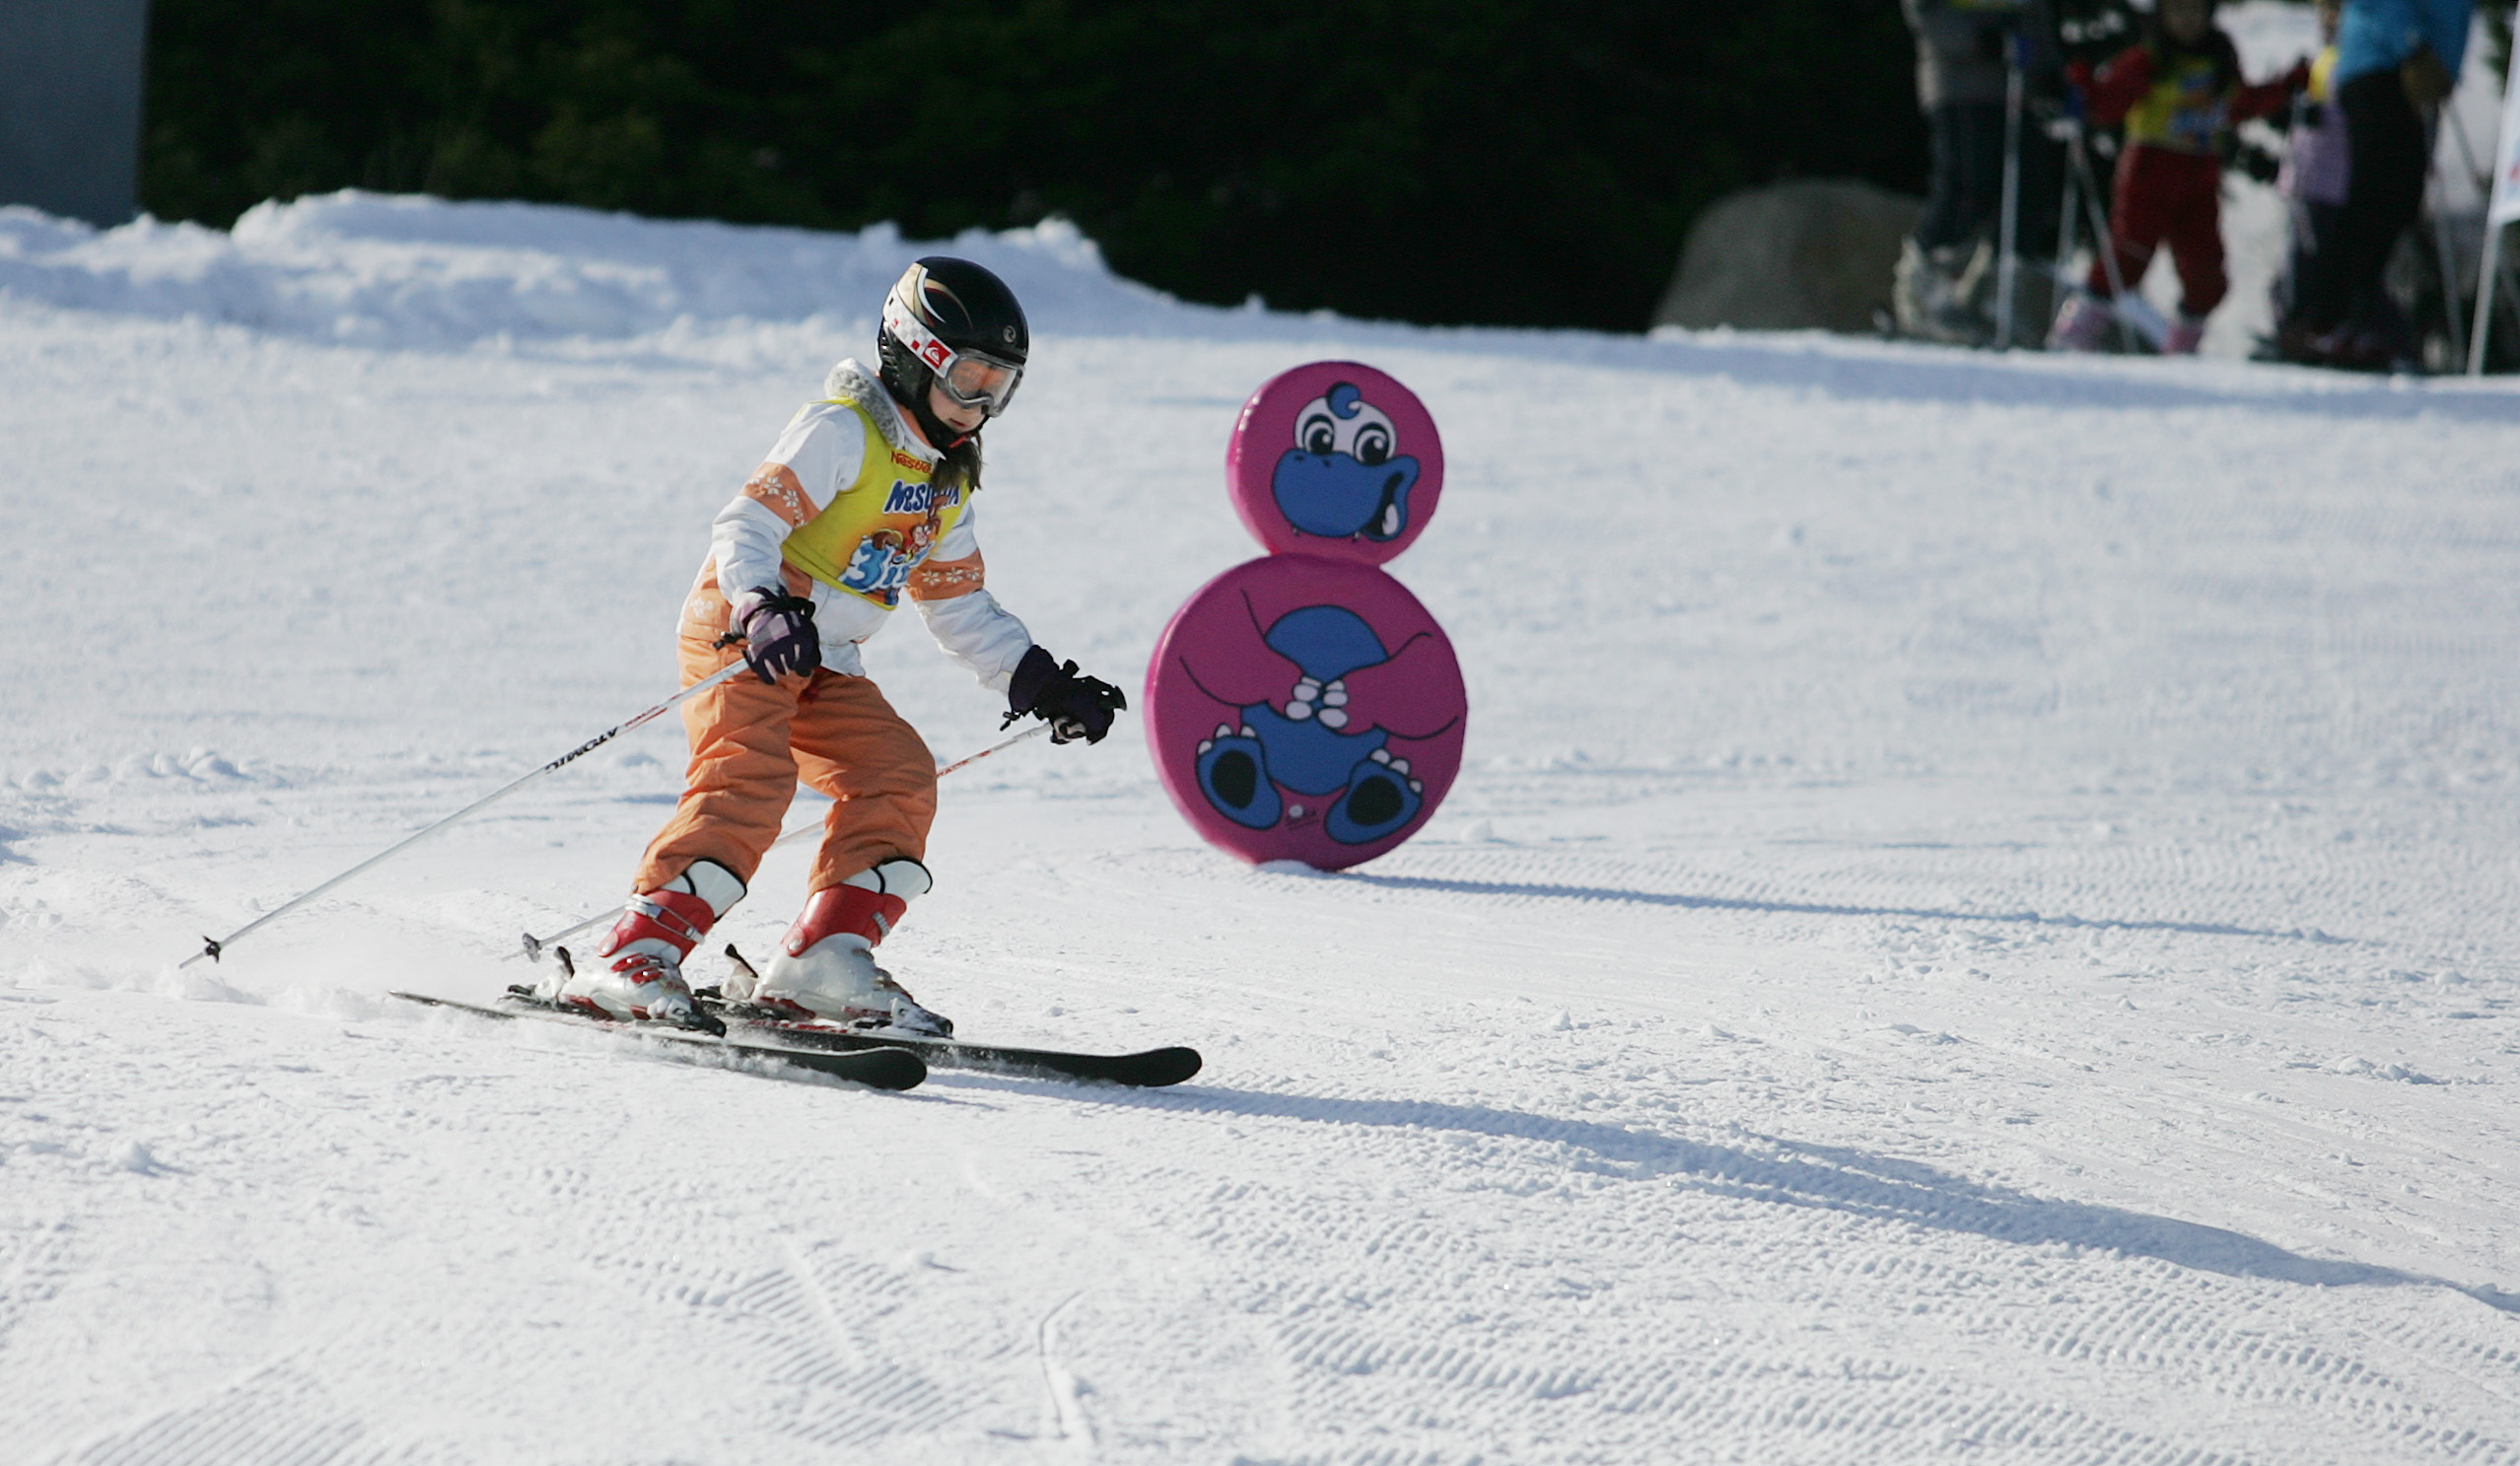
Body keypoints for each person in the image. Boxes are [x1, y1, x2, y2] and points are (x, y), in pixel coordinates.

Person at [548, 256, 1126, 1036]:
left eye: (1000, 386)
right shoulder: (843, 430)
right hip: (747, 633)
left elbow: (957, 604)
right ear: (916, 355)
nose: (981, 404)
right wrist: (761, 607)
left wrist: (1039, 682)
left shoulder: (945, 482)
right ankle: (633, 954)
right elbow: (744, 526)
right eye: (969, 379)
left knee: (897, 774)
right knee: (751, 780)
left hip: (825, 658)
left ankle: (822, 959)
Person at [2050, 0, 2307, 354]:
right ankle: (2073, 334)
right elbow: (2108, 102)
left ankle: (2181, 351)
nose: (2187, 20)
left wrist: (2285, 88)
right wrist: (2079, 83)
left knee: (2207, 277)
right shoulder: (2149, 58)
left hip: (2199, 175)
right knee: (2128, 256)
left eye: (2195, 11)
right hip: (2150, 171)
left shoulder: (2219, 58)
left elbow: (2239, 103)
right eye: (2178, 11)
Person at [2281, 0, 2475, 367]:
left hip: (2415, 77)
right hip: (2384, 65)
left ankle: (2351, 321)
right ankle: (2323, 320)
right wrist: (2414, 47)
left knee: (2400, 203)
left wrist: (2443, 64)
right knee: (2376, 199)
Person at [1896, 0, 2067, 344]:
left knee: (2026, 194)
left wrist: (2050, 71)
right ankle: (1922, 290)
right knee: (1965, 188)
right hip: (1961, 85)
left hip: (2019, 88)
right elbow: (1926, 13)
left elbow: (2037, 14)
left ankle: (1993, 295)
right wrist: (1976, 40)